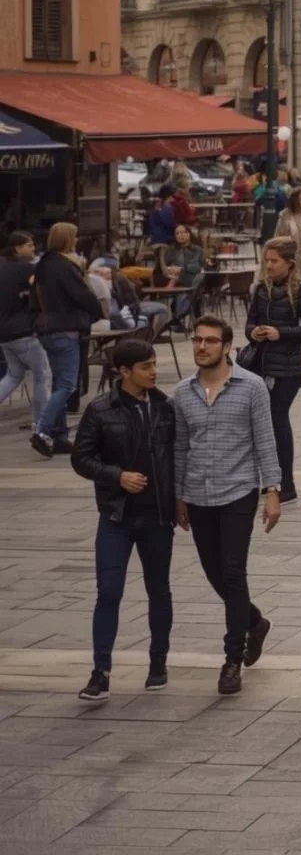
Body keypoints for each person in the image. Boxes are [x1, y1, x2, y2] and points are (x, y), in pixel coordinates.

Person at [174, 316, 281, 695]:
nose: (202, 347)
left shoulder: (251, 388)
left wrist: (272, 490)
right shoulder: (182, 392)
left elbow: (265, 440)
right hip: (198, 494)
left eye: (210, 341)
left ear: (226, 346)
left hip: (238, 491)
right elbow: (180, 447)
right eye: (197, 340)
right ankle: (253, 620)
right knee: (214, 572)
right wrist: (179, 495)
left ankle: (232, 660)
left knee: (233, 572)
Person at [70, 340, 176, 702]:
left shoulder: (164, 407)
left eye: (154, 364)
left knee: (158, 589)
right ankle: (100, 672)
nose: (153, 371)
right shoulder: (100, 410)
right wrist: (117, 476)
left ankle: (158, 663)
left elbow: (177, 456)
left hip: (157, 516)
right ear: (124, 371)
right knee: (109, 591)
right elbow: (81, 458)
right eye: (146, 366)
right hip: (116, 516)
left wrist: (180, 502)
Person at [245, 238, 301, 504]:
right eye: (267, 260)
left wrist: (280, 333)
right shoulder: (260, 289)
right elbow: (249, 323)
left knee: (278, 420)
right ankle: (267, 481)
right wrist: (255, 331)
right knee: (263, 423)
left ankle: (285, 483)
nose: (269, 265)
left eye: (274, 261)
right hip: (260, 363)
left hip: (287, 367)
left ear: (289, 264)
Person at [31, 223, 103, 458]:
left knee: (59, 382)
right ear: (66, 239)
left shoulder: (42, 265)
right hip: (66, 328)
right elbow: (82, 295)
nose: (77, 240)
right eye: (74, 236)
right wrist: (96, 311)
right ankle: (42, 431)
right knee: (67, 385)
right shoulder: (64, 266)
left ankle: (60, 436)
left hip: (47, 330)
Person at [0, 232, 50, 439]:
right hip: (24, 332)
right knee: (42, 375)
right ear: (17, 248)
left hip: (4, 333)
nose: (33, 249)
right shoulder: (27, 269)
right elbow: (40, 292)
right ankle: (41, 423)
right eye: (29, 245)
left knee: (13, 375)